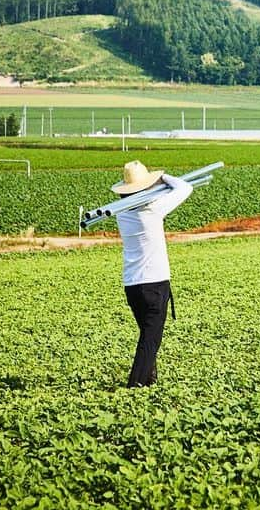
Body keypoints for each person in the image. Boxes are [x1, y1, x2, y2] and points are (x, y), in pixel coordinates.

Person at [111, 160, 193, 388]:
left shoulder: (122, 213)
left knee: (148, 335)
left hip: (132, 285)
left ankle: (148, 380)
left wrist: (152, 187)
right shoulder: (152, 209)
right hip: (154, 284)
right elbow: (185, 187)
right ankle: (136, 384)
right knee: (150, 338)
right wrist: (163, 179)